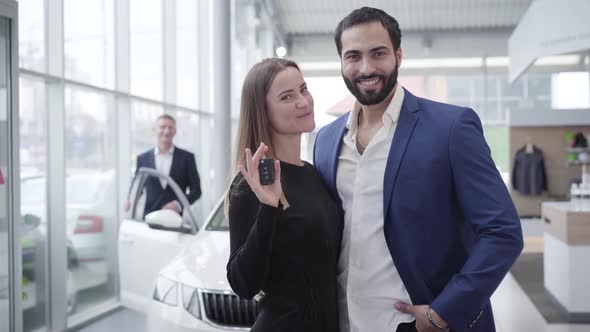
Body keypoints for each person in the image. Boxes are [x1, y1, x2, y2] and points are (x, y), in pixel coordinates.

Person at [313, 7, 524, 332]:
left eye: (378, 53)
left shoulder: (451, 129)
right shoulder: (326, 141)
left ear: (398, 55)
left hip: (419, 324)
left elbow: (503, 233)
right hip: (344, 321)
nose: (366, 67)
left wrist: (445, 312)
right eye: (353, 56)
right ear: (341, 61)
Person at [226, 58, 343, 332]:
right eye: (287, 97)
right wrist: (269, 207)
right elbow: (243, 284)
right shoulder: (251, 184)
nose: (303, 101)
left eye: (304, 89)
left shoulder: (313, 174)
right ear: (263, 112)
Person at [126, 114, 201, 217]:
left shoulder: (187, 158)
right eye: (162, 127)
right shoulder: (142, 159)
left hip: (175, 220)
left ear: (175, 131)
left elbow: (196, 191)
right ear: (154, 130)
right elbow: (137, 187)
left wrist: (178, 204)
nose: (166, 131)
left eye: (170, 127)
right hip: (149, 219)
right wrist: (130, 199)